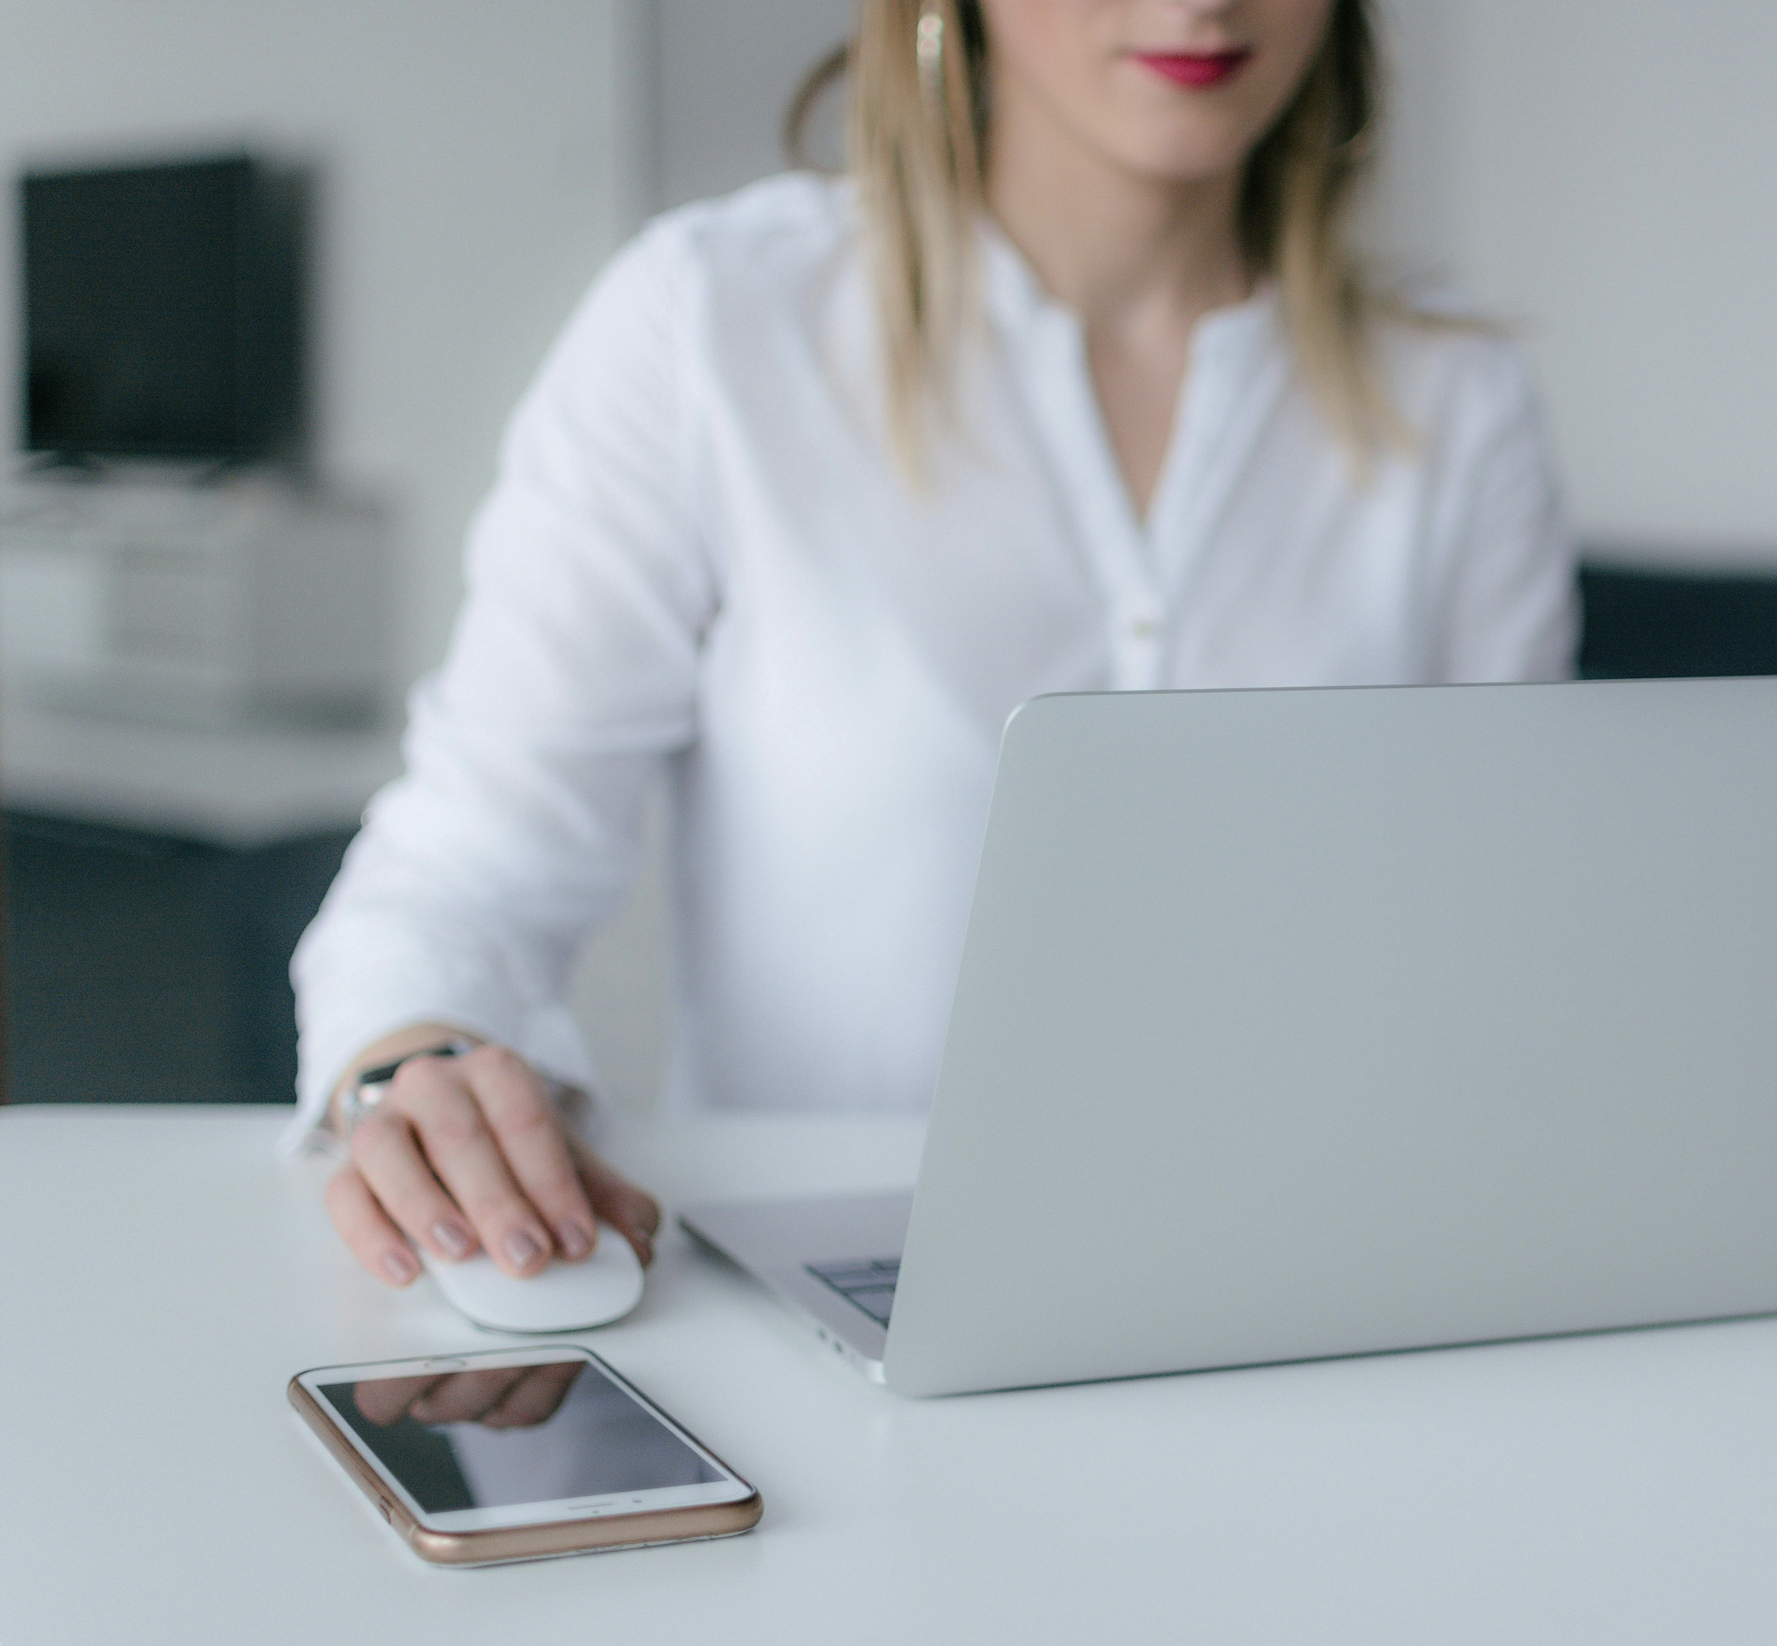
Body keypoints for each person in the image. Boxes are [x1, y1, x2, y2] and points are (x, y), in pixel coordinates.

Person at [287, 0, 1576, 1291]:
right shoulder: (711, 329)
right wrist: (416, 1067)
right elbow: (462, 875)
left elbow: (1510, 948)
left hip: (1318, 1291)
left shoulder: (1456, 403)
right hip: (834, 1304)